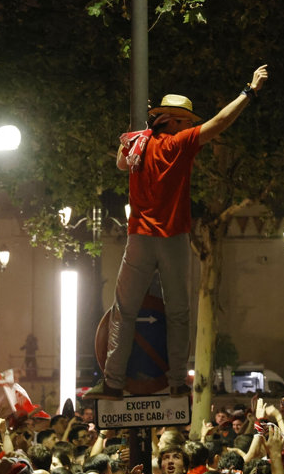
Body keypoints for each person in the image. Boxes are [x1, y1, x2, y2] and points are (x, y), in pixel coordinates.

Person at [85, 65, 269, 399]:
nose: (191, 124)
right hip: (172, 238)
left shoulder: (137, 143)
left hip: (139, 238)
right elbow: (220, 122)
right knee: (179, 313)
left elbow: (120, 163)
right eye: (186, 120)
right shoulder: (180, 143)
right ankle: (174, 383)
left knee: (123, 312)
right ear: (174, 121)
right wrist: (249, 92)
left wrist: (136, 130)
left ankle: (112, 383)